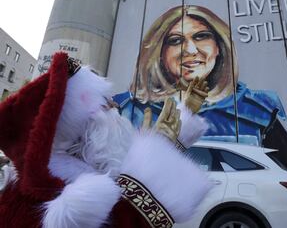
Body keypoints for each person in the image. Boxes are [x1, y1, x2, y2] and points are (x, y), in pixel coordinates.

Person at [113, 5, 287, 224]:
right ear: (159, 52)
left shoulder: (256, 112)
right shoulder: (127, 109)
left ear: (219, 47)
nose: (189, 49)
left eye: (201, 36)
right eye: (175, 40)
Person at [0, 52, 211, 228]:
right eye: (106, 103)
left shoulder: (91, 167)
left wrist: (173, 135)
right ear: (81, 124)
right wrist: (159, 151)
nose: (116, 106)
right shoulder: (57, 195)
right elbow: (129, 219)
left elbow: (127, 179)